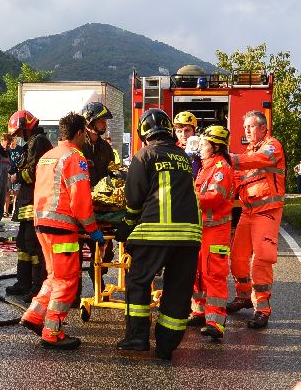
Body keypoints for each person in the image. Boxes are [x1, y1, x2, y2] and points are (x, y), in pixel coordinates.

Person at [115, 108, 201, 360]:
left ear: (144, 133)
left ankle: (137, 338)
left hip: (155, 232)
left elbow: (134, 198)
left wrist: (127, 225)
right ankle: (166, 346)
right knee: (178, 291)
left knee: (138, 282)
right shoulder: (183, 156)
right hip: (189, 237)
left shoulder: (145, 155)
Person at [19, 112, 104, 350]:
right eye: (85, 133)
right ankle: (53, 332)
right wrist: (92, 229)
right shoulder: (75, 157)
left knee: (54, 276)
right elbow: (81, 199)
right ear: (80, 132)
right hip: (61, 226)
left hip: (42, 223)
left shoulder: (48, 156)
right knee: (66, 279)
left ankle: (34, 315)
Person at [226, 110, 286, 329]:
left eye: (251, 126)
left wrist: (231, 158)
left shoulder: (272, 146)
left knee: (261, 259)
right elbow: (236, 179)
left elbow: (259, 160)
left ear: (263, 128)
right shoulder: (249, 151)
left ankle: (262, 309)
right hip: (248, 211)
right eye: (245, 127)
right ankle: (243, 296)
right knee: (237, 257)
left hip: (267, 211)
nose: (247, 131)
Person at [188, 125, 235, 339]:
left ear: (216, 147)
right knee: (197, 271)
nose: (200, 147)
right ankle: (199, 311)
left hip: (216, 231)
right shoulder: (205, 167)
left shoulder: (221, 169)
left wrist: (188, 197)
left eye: (204, 144)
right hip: (202, 229)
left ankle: (216, 322)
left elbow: (214, 199)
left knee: (214, 275)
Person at [4, 110, 53, 299]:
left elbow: (34, 173)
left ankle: (38, 286)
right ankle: (23, 282)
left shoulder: (39, 142)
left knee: (34, 246)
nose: (17, 136)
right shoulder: (32, 143)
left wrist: (17, 177)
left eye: (18, 132)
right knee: (23, 243)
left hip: (35, 201)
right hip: (27, 201)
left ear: (26, 128)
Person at [80, 102, 116, 295]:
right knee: (76, 253)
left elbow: (112, 174)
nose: (105, 124)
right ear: (90, 121)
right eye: (101, 121)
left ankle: (97, 277)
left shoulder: (105, 148)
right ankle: (74, 295)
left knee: (106, 250)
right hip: (80, 207)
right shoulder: (79, 146)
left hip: (102, 208)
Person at [174, 111, 202, 177]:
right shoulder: (172, 149)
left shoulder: (204, 148)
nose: (183, 135)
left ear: (194, 131)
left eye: (187, 130)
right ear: (175, 133)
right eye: (179, 131)